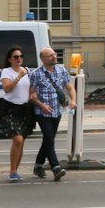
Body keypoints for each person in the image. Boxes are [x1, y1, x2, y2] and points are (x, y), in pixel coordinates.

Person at [30, 47, 74, 181]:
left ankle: (38, 165)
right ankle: (56, 167)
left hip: (57, 111)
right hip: (42, 112)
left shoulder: (61, 70)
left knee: (48, 139)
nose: (54, 57)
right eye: (50, 56)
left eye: (54, 54)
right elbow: (31, 95)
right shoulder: (35, 74)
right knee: (49, 137)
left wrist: (74, 100)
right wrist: (42, 105)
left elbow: (70, 87)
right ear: (43, 59)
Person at [0, 48, 36, 182]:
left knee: (22, 141)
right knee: (17, 139)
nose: (19, 58)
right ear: (10, 59)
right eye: (15, 56)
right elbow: (7, 88)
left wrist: (33, 93)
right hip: (10, 108)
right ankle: (12, 171)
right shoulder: (6, 71)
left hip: (24, 109)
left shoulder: (27, 71)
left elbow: (31, 88)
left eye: (21, 56)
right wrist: (19, 76)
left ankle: (15, 170)